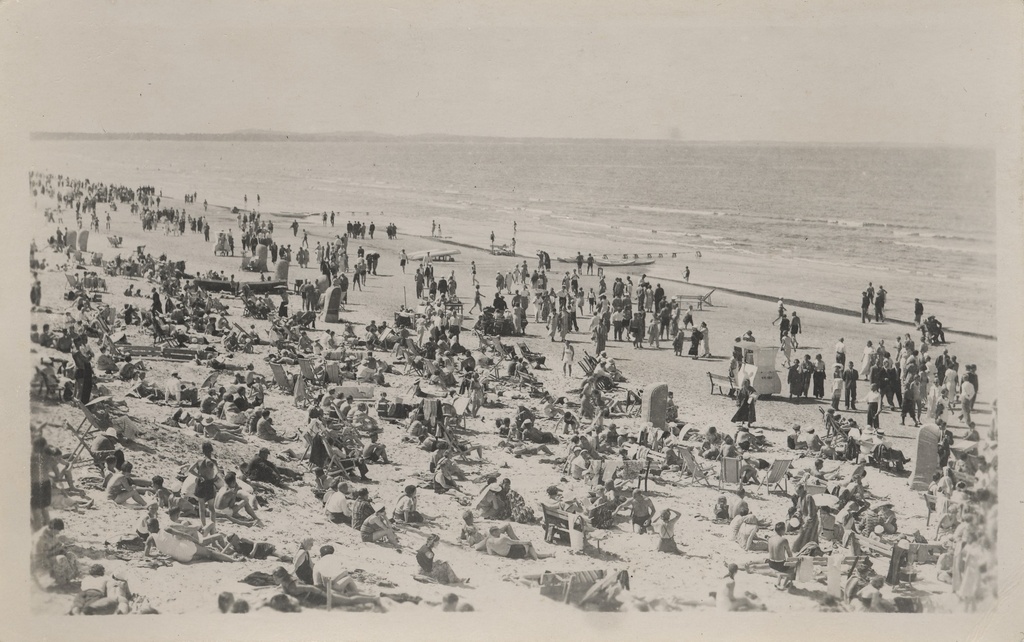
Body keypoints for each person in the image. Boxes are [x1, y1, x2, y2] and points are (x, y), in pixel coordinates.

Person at [144, 518, 238, 563]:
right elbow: (184, 535)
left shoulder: (150, 539)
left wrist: (160, 554)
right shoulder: (166, 529)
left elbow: (147, 554)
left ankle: (202, 555)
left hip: (181, 558)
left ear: (149, 528)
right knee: (210, 552)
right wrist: (197, 543)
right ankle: (233, 560)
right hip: (184, 548)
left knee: (205, 556)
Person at [475, 526, 551, 560]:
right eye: (498, 531)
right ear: (494, 533)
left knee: (528, 551)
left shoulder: (488, 542)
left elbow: (491, 553)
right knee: (529, 545)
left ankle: (548, 555)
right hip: (515, 553)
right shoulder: (503, 538)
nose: (500, 532)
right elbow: (516, 542)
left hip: (508, 555)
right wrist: (527, 541)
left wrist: (500, 553)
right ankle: (536, 559)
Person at [767, 522, 796, 589]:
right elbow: (789, 554)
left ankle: (779, 580)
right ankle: (783, 585)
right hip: (780, 565)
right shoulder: (784, 540)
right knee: (795, 568)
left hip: (771, 563)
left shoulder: (770, 539)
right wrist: (793, 563)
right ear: (782, 530)